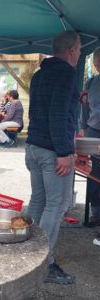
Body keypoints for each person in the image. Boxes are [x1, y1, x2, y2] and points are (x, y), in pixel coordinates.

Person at [25, 30, 81, 285]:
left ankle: (27, 255)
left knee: (39, 201)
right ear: (71, 50)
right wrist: (63, 152)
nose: (80, 54)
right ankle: (42, 264)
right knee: (55, 205)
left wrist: (75, 100)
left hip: (34, 147)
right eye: (79, 50)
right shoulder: (68, 73)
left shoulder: (40, 74)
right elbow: (57, 113)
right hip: (51, 150)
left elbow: (44, 107)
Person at [80, 48, 100, 227]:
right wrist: (84, 128)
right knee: (94, 173)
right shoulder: (91, 82)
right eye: (98, 61)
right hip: (94, 131)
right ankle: (96, 213)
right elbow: (84, 109)